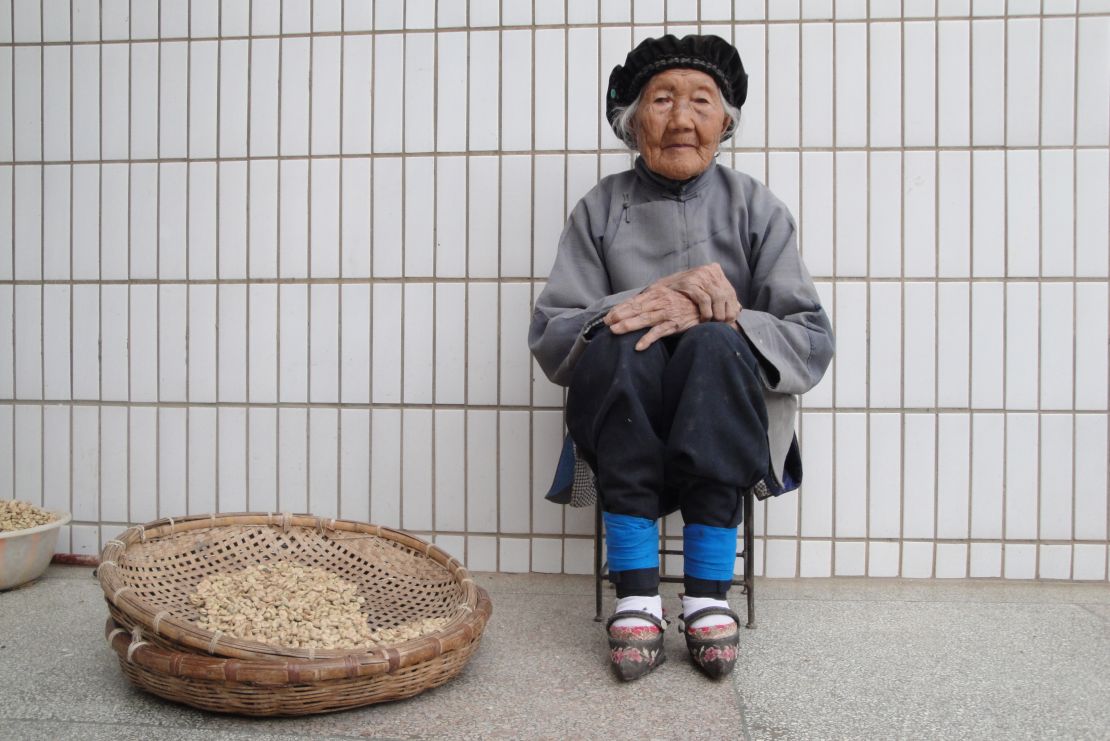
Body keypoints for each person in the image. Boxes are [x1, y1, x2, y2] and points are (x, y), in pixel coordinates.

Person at [529, 34, 834, 682]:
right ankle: (637, 595)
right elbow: (553, 335)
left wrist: (719, 315)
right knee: (619, 336)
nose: (681, 118)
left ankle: (705, 598)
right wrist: (645, 299)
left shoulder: (758, 208)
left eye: (701, 100)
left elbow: (811, 339)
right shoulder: (599, 211)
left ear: (725, 122)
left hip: (725, 420)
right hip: (622, 422)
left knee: (716, 341)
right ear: (630, 121)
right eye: (661, 99)